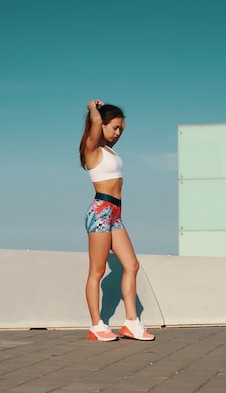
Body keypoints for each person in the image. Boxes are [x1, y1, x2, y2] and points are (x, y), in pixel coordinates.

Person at [78, 99, 155, 342]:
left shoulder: (110, 151)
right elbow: (96, 121)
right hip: (100, 212)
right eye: (115, 127)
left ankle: (131, 323)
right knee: (97, 271)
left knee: (131, 265)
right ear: (101, 125)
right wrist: (93, 108)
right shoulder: (92, 149)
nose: (118, 132)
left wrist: (110, 121)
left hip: (115, 214)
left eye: (121, 129)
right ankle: (96, 326)